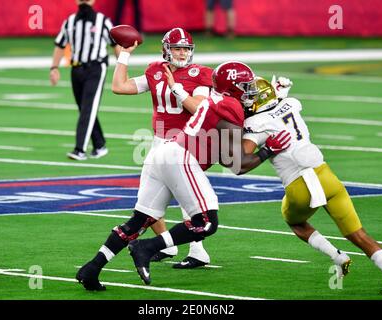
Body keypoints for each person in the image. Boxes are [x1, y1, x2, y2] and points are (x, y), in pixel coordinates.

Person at [76, 61, 291, 289]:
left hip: (164, 153)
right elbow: (235, 164)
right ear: (232, 87)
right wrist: (268, 149)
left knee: (139, 221)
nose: (250, 91)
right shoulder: (230, 105)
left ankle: (92, 268)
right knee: (207, 223)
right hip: (182, 158)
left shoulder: (221, 101)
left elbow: (236, 126)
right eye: (246, 86)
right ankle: (146, 248)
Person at [241, 77, 382, 296]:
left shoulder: (256, 124)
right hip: (326, 176)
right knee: (358, 234)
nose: (245, 100)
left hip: (299, 184)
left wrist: (263, 149)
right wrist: (279, 93)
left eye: (250, 96)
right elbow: (277, 110)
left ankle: (337, 255)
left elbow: (243, 156)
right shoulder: (290, 103)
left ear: (261, 98)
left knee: (295, 221)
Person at [111, 27, 214, 269]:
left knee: (187, 199)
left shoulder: (200, 73)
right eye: (177, 48)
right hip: (159, 142)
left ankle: (198, 251)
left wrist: (176, 88)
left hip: (186, 143)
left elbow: (198, 107)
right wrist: (124, 54)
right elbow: (120, 86)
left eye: (186, 48)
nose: (182, 53)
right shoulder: (156, 70)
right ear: (166, 50)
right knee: (148, 202)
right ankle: (167, 244)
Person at [50, 0, 119, 161]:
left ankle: (79, 149)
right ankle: (100, 145)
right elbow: (60, 44)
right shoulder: (70, 21)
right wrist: (54, 67)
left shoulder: (103, 21)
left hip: (96, 68)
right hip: (76, 68)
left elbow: (115, 44)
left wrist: (122, 67)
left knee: (88, 108)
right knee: (84, 108)